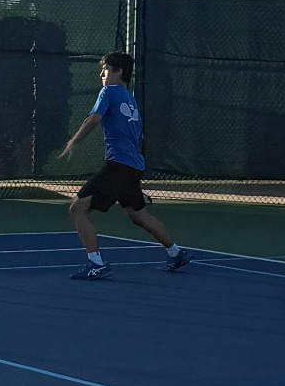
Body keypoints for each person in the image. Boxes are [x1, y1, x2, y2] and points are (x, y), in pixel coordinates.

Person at [58, 52, 192, 280]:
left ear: (118, 72)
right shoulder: (130, 100)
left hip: (119, 166)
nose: (101, 75)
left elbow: (94, 118)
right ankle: (176, 253)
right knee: (137, 213)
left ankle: (96, 264)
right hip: (133, 166)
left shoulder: (108, 92)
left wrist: (74, 141)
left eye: (106, 70)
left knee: (77, 209)